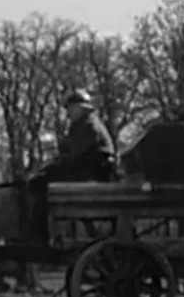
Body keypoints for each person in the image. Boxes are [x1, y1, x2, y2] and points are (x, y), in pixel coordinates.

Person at [23, 88, 119, 240]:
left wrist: (49, 169)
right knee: (40, 182)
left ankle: (38, 236)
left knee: (41, 184)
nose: (68, 113)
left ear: (81, 108)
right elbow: (68, 156)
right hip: (85, 173)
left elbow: (73, 157)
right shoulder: (81, 126)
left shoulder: (89, 127)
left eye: (70, 109)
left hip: (91, 175)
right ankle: (38, 233)